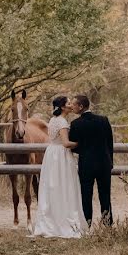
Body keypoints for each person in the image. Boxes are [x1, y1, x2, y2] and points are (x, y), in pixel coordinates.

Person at [31, 95, 87, 238]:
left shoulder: (53, 120)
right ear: (62, 107)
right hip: (61, 155)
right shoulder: (61, 122)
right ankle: (62, 221)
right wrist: (82, 144)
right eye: (68, 103)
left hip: (52, 154)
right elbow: (66, 143)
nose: (70, 105)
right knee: (64, 186)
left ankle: (53, 219)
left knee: (53, 186)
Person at [68, 94, 114, 226]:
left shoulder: (76, 124)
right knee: (105, 195)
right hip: (104, 164)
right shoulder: (103, 120)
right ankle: (107, 224)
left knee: (86, 196)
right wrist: (110, 162)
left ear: (81, 106)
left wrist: (83, 149)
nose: (72, 107)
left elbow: (74, 146)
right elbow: (110, 143)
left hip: (86, 165)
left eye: (74, 104)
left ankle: (86, 224)